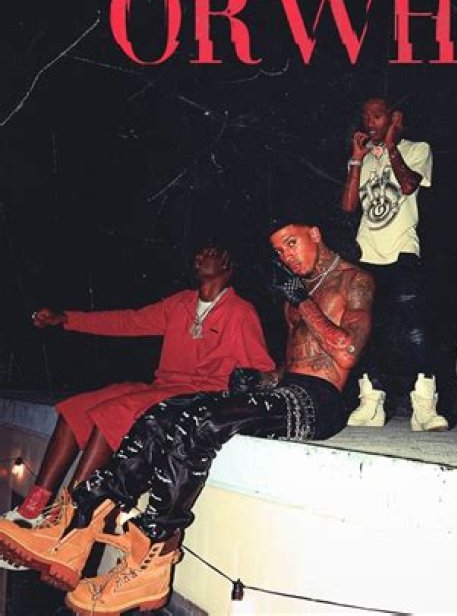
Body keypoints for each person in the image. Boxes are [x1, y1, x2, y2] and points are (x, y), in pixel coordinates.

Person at [0, 219, 373, 616]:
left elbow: (345, 352)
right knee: (159, 415)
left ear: (314, 234)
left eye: (291, 243)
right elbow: (293, 362)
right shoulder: (290, 296)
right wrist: (261, 379)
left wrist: (300, 301)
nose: (286, 256)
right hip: (284, 389)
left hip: (320, 402)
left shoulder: (354, 282)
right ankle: (79, 521)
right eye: (279, 250)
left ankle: (154, 556)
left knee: (200, 423)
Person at [0, 244, 275, 561]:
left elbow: (262, 369)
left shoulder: (241, 312)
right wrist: (66, 319)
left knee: (114, 413)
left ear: (227, 262)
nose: (199, 257)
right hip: (163, 386)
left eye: (208, 253)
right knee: (76, 409)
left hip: (196, 395)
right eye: (197, 253)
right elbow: (128, 321)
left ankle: (70, 519)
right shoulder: (181, 303)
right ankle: (33, 507)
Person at [340, 97, 447, 431]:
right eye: (366, 116)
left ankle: (424, 406)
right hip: (366, 254)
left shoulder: (417, 149)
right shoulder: (363, 158)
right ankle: (371, 402)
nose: (370, 121)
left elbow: (409, 184)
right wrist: (356, 160)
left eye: (377, 115)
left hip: (402, 250)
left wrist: (390, 146)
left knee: (415, 328)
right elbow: (348, 206)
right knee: (367, 330)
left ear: (394, 118)